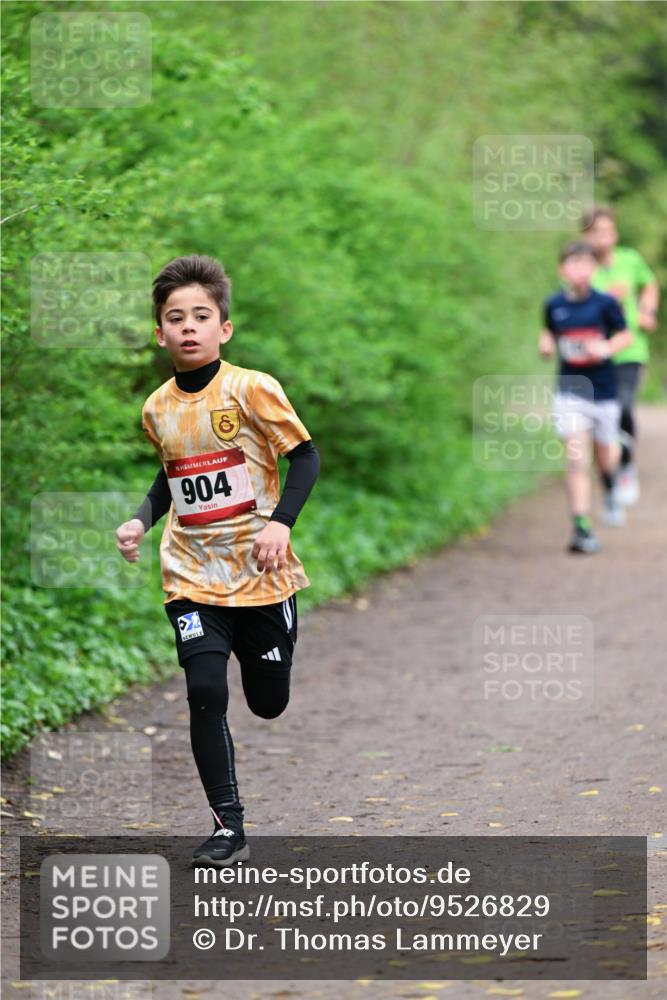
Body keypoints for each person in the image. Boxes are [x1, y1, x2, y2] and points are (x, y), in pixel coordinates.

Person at [115, 255, 320, 866]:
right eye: (175, 318)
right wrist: (140, 519)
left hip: (260, 570)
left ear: (223, 328)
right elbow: (173, 473)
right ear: (160, 333)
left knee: (267, 702)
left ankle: (275, 645)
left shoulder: (254, 389)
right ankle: (228, 828)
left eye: (201, 316)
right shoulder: (156, 408)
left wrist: (281, 526)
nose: (188, 327)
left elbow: (305, 459)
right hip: (191, 573)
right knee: (204, 690)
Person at [539, 241, 632, 554]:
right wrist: (546, 344)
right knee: (577, 458)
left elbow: (625, 334)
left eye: (587, 264)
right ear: (561, 270)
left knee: (605, 457)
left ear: (595, 270)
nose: (581, 270)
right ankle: (581, 528)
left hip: (604, 393)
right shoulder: (553, 305)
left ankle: (609, 484)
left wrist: (605, 348)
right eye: (574, 263)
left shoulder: (605, 303)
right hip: (571, 393)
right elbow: (550, 331)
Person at [581, 205, 659, 505]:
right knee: (599, 420)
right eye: (597, 232)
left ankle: (625, 463)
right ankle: (607, 478)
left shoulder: (630, 259)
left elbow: (649, 284)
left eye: (609, 231)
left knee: (624, 407)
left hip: (629, 349)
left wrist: (646, 309)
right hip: (594, 357)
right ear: (585, 235)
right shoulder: (582, 267)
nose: (605, 238)